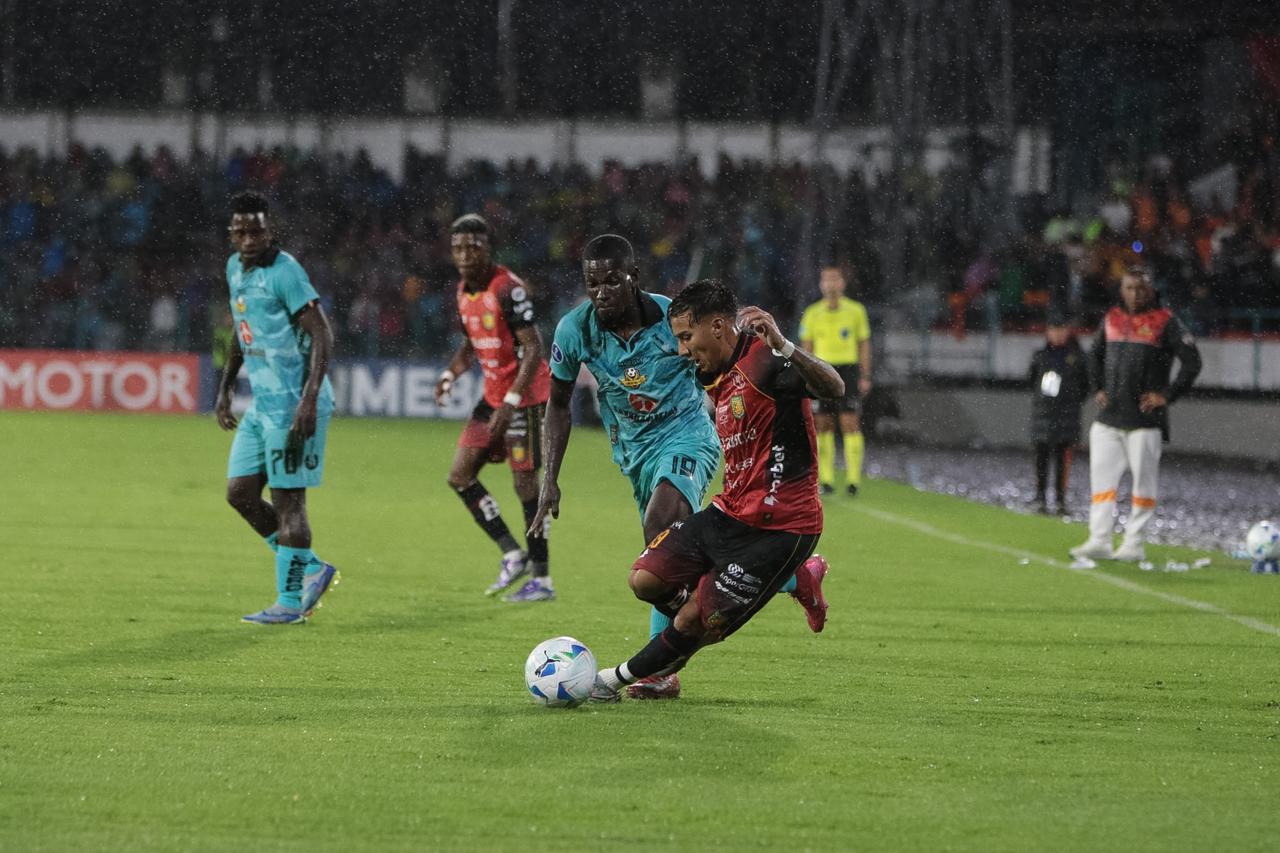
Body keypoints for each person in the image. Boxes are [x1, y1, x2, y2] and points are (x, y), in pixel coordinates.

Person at [528, 236, 829, 700]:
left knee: (660, 523)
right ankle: (793, 577)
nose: (601, 292)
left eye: (611, 280)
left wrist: (773, 355)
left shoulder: (675, 320)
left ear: (633, 277)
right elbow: (558, 404)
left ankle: (661, 667)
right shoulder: (575, 330)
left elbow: (724, 358)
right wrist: (550, 478)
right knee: (657, 558)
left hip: (687, 435)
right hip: (632, 451)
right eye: (592, 284)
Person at [590, 280, 843, 703]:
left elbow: (834, 388)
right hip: (730, 514)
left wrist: (783, 344)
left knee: (692, 623)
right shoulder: (711, 371)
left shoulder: (766, 362)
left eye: (688, 337)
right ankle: (768, 591)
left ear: (720, 327)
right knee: (646, 579)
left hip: (782, 528)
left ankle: (611, 679)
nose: (684, 349)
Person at [215, 190, 340, 625]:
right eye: (241, 230)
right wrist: (226, 386)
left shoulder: (286, 272)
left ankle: (289, 604)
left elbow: (322, 333)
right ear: (232, 234)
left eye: (257, 230)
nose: (249, 238)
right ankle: (309, 566)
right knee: (240, 493)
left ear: (271, 232)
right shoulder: (234, 269)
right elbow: (240, 329)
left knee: (289, 501)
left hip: (294, 406)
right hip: (262, 405)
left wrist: (308, 398)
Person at [434, 214, 554, 599]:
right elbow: (473, 342)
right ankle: (512, 553)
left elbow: (534, 347)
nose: (466, 254)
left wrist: (513, 401)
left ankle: (542, 578)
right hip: (493, 397)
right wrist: (451, 375)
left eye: (474, 246)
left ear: (488, 249)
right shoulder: (463, 291)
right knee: (459, 474)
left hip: (527, 396)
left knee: (524, 484)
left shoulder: (508, 288)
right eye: (459, 248)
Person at [1070, 267, 1201, 563]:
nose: (1135, 294)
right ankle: (1099, 540)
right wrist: (1096, 388)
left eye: (1140, 288)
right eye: (1129, 288)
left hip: (1145, 420)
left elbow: (1192, 362)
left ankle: (1134, 543)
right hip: (1108, 419)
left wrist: (1166, 396)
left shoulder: (1165, 322)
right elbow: (1093, 355)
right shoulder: (1112, 318)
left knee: (1143, 486)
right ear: (1121, 290)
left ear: (1151, 290)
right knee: (1101, 485)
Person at [798, 265, 872, 496]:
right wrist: (807, 377)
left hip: (848, 370)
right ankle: (826, 479)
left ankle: (853, 480)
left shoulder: (856, 311)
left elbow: (864, 344)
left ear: (842, 283)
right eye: (826, 279)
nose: (830, 283)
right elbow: (806, 348)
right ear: (821, 284)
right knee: (823, 424)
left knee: (850, 422)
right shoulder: (812, 313)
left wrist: (865, 375)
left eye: (834, 279)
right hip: (822, 370)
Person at [1028, 310, 1089, 515]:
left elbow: (1085, 386)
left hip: (1067, 416)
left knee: (1063, 459)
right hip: (1043, 415)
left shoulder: (1078, 357)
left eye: (1061, 329)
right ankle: (1040, 497)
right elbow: (1031, 382)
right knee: (1041, 458)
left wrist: (1070, 402)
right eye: (1054, 330)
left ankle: (1061, 499)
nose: (1057, 334)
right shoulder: (1040, 356)